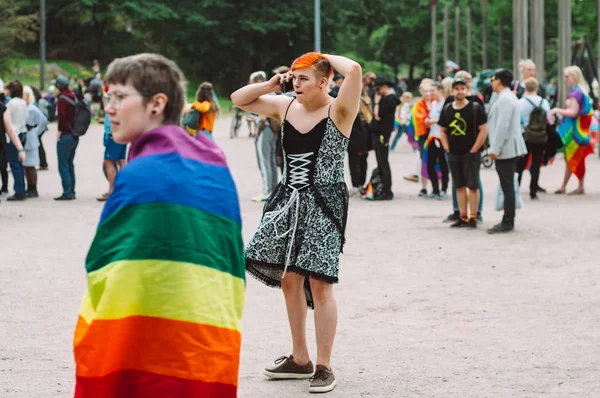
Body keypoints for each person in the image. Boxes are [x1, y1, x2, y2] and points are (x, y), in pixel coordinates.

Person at [73, 53, 245, 398]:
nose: (109, 108)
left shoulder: (141, 174)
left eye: (120, 97)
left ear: (157, 104)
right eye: (108, 97)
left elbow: (113, 272)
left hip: (153, 358)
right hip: (208, 344)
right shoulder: (213, 166)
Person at [233, 52, 362, 393]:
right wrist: (273, 83)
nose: (295, 83)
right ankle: (300, 358)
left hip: (324, 202)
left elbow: (355, 70)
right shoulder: (285, 106)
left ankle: (324, 366)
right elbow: (238, 99)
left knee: (320, 284)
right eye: (293, 77)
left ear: (323, 81)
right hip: (288, 199)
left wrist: (322, 56)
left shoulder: (340, 110)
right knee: (290, 279)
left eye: (303, 78)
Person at [439, 78, 488, 228]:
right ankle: (463, 216)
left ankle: (473, 217)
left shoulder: (475, 108)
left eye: (462, 88)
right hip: (454, 153)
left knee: (472, 185)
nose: (460, 91)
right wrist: (447, 148)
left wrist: (474, 150)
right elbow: (443, 130)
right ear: (452, 91)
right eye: (457, 89)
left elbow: (483, 130)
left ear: (466, 90)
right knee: (459, 185)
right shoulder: (447, 109)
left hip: (471, 153)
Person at [486, 69, 528, 234]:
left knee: (507, 185)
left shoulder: (505, 99)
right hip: (510, 146)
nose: (491, 82)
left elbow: (502, 126)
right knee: (508, 184)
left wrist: (494, 148)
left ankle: (508, 221)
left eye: (493, 78)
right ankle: (508, 219)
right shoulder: (507, 97)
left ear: (499, 80)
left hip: (506, 148)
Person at [551, 65, 594, 195]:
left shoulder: (576, 92)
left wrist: (557, 110)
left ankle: (567, 186)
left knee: (572, 157)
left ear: (574, 77)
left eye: (567, 77)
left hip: (572, 131)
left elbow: (573, 112)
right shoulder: (582, 90)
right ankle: (575, 186)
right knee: (576, 157)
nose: (566, 80)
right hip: (579, 131)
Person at [517, 77, 551, 200]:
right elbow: (549, 120)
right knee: (536, 163)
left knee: (520, 163)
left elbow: (518, 119)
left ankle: (517, 189)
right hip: (540, 136)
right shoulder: (544, 102)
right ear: (537, 88)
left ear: (525, 88)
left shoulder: (521, 102)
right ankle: (533, 190)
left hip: (525, 135)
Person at [249, 71, 280, 203]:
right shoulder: (272, 94)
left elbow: (262, 116)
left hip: (265, 128)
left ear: (259, 82)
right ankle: (273, 189)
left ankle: (267, 191)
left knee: (264, 160)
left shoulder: (264, 94)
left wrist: (255, 120)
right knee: (272, 160)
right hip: (273, 129)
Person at [369, 76, 399, 200]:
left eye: (378, 88)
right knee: (381, 161)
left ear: (384, 87)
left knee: (383, 161)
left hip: (382, 135)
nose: (377, 91)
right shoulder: (387, 98)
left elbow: (378, 115)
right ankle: (384, 187)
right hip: (379, 134)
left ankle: (387, 191)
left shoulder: (389, 100)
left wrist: (376, 102)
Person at [0, 82, 26, 198]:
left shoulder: (10, 104)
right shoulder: (23, 102)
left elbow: (9, 127)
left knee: (14, 163)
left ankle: (19, 190)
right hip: (21, 131)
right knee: (18, 164)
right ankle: (21, 188)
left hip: (13, 133)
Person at [22, 86, 48, 198]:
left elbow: (43, 121)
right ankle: (28, 186)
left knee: (31, 164)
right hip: (23, 136)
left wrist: (35, 132)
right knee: (25, 165)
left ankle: (33, 188)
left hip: (30, 136)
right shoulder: (21, 108)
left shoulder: (32, 109)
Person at [55, 75, 78, 200]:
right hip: (75, 134)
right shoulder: (73, 96)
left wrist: (60, 131)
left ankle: (67, 192)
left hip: (66, 135)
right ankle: (72, 190)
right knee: (70, 163)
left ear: (58, 86)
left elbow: (62, 117)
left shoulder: (62, 99)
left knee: (63, 164)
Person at [425, 82, 449, 199]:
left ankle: (444, 189)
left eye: (433, 90)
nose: (431, 93)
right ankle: (435, 189)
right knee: (430, 165)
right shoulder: (433, 104)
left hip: (442, 138)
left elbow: (445, 120)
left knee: (444, 165)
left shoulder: (446, 103)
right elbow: (431, 117)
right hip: (432, 137)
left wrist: (433, 121)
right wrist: (428, 121)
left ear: (440, 90)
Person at [96, 110, 127, 202]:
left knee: (108, 161)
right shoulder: (123, 102)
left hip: (113, 134)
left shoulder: (116, 102)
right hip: (121, 133)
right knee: (121, 160)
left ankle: (112, 191)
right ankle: (123, 189)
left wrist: (111, 132)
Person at [347, 88, 372, 196]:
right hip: (366, 136)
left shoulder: (353, 102)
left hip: (355, 136)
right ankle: (361, 184)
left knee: (354, 162)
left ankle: (356, 186)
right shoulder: (367, 101)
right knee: (363, 161)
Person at [32, 87, 49, 170]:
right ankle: (42, 162)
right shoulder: (36, 101)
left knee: (38, 144)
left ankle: (43, 162)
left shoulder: (40, 101)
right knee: (38, 144)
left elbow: (43, 115)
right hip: (37, 125)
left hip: (40, 126)